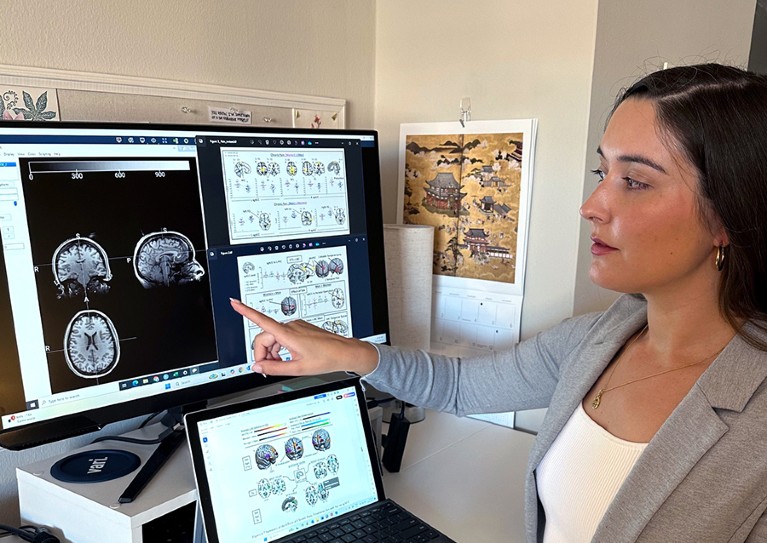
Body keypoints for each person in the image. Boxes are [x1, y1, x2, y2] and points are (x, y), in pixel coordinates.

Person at [230, 63, 767, 542]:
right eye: (601, 173)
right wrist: (347, 353)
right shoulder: (601, 338)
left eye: (635, 181)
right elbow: (460, 386)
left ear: (727, 215)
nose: (591, 206)